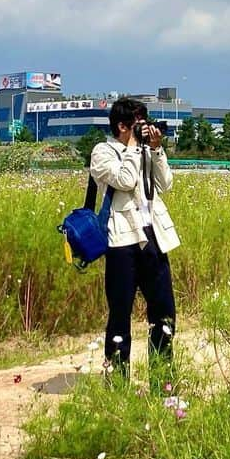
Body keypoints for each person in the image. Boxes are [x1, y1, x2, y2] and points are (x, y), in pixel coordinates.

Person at [89, 97, 179, 379]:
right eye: (139, 124)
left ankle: (163, 378)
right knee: (120, 315)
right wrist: (132, 148)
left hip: (153, 237)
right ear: (122, 126)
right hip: (121, 242)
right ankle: (117, 381)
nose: (144, 129)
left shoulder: (143, 149)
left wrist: (156, 149)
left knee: (164, 312)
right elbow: (125, 181)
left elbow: (165, 184)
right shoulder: (102, 152)